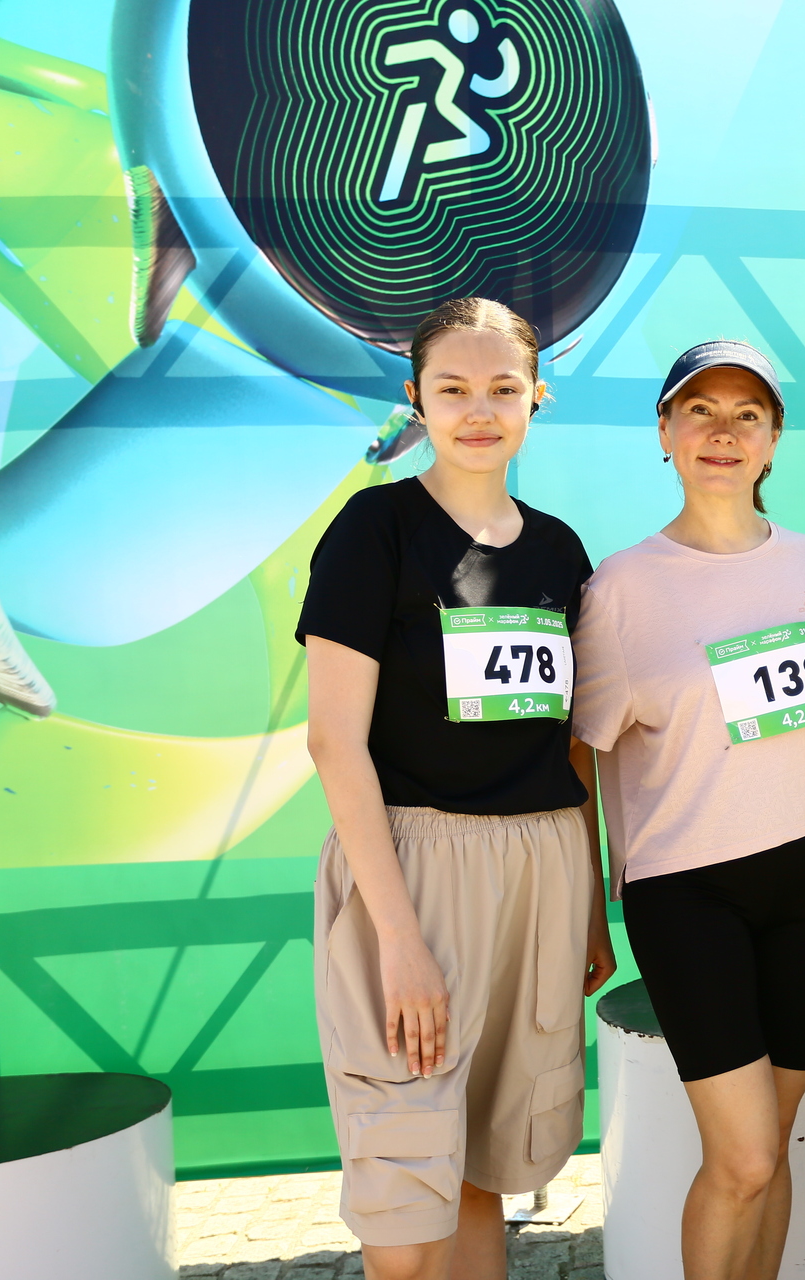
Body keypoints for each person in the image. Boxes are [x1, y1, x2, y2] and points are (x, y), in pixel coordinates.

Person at [301, 297, 610, 1280]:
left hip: (543, 867)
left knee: (484, 1167)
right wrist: (397, 937)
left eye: (503, 389)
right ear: (416, 398)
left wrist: (590, 902)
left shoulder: (560, 550)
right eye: (454, 388)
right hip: (414, 868)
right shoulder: (377, 527)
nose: (480, 410)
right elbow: (334, 742)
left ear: (535, 399)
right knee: (405, 1216)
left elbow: (574, 745)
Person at [569, 341, 805, 1280]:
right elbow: (582, 756)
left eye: (747, 414)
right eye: (699, 410)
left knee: (771, 1149)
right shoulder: (620, 588)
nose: (723, 431)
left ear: (773, 441)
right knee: (742, 1157)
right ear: (665, 433)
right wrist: (588, 905)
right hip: (689, 894)